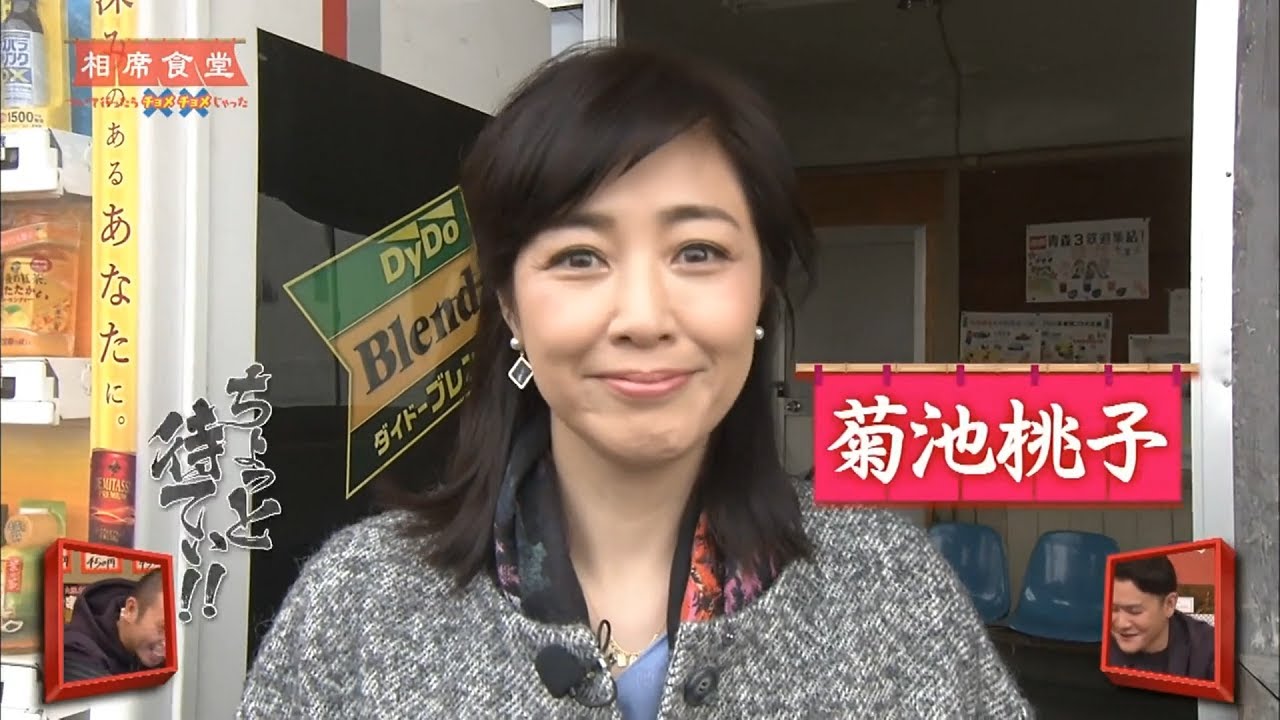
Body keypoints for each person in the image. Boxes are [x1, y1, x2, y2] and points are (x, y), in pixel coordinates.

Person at [239, 45, 1031, 719]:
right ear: (510, 304)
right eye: (579, 257)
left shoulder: (895, 593)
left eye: (698, 252)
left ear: (761, 290)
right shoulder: (358, 604)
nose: (644, 318)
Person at [1109, 555, 1216, 680]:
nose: (1121, 624)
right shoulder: (1097, 642)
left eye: (1134, 611)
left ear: (1169, 604)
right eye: (1113, 609)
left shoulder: (1210, 650)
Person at [62, 569, 168, 682]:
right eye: (163, 628)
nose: (167, 645)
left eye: (177, 636)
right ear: (131, 610)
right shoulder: (75, 652)